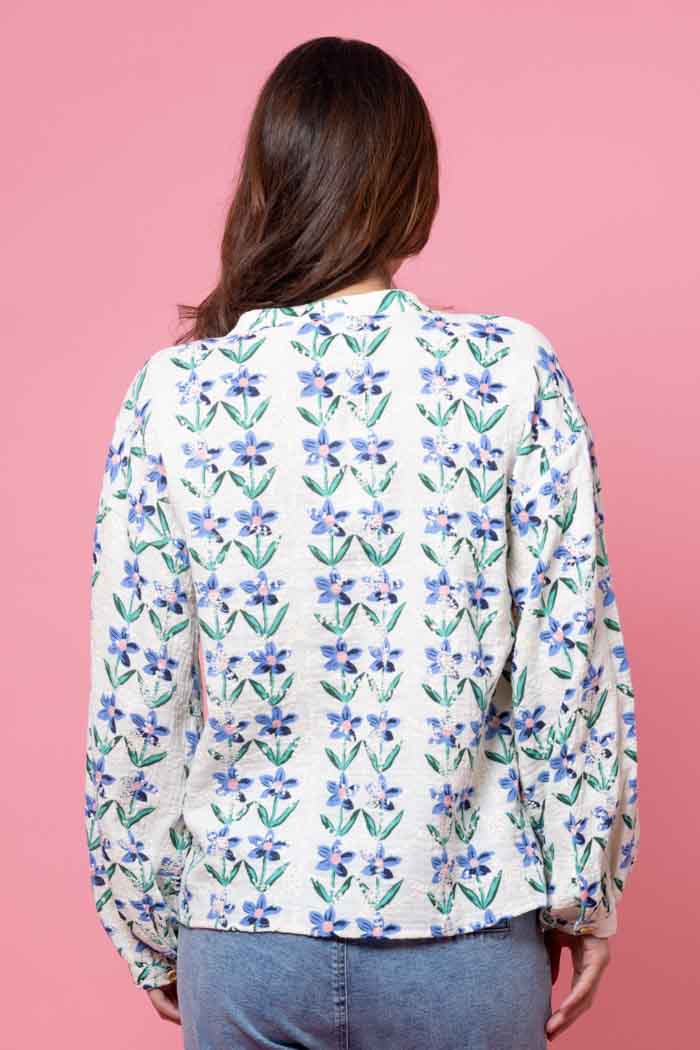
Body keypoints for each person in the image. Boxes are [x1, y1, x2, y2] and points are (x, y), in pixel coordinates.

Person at [84, 35, 640, 1050]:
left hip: (247, 934)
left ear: (268, 183)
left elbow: (137, 693)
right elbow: (567, 666)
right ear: (413, 189)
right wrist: (584, 889)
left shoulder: (174, 395)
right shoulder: (509, 373)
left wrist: (149, 922)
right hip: (464, 930)